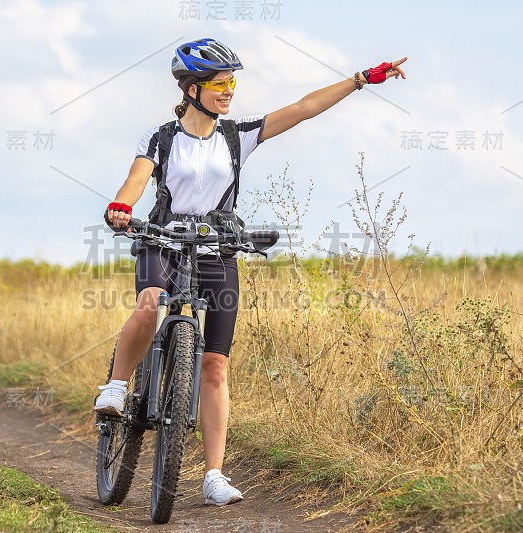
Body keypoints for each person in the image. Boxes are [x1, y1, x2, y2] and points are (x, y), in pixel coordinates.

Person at [96, 38, 407, 507]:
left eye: (232, 83)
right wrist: (123, 205)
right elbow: (138, 178)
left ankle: (214, 475)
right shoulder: (160, 138)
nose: (229, 91)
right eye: (220, 84)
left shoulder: (235, 135)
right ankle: (117, 387)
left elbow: (304, 108)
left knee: (216, 365)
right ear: (191, 88)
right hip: (164, 240)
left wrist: (361, 79)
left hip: (217, 245)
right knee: (149, 305)